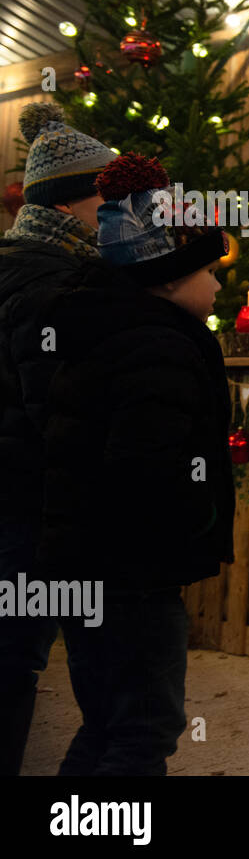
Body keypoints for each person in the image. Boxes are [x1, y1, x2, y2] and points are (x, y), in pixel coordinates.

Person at [37, 152, 234, 774]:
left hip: (89, 567)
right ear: (170, 277)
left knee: (106, 722)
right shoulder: (160, 346)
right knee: (144, 729)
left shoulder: (106, 327)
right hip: (134, 578)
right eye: (210, 270)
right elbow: (145, 470)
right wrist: (195, 521)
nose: (221, 285)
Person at [0, 102, 117, 774]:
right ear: (82, 203)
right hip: (29, 515)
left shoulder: (19, 264)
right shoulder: (56, 283)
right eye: (111, 202)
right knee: (14, 665)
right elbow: (62, 415)